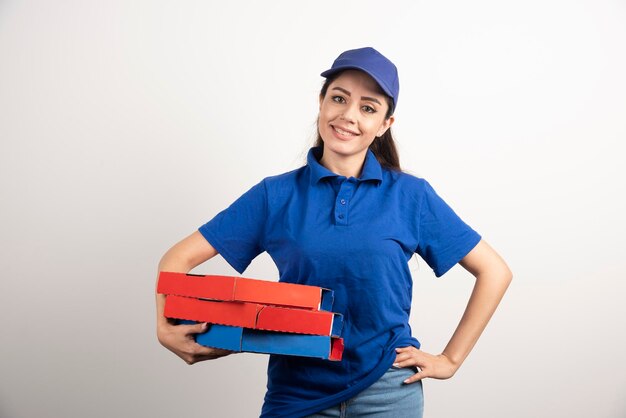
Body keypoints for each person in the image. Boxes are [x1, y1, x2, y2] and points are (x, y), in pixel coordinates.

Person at [155, 47, 513, 418]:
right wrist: (165, 326)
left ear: (385, 124)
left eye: (368, 107)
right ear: (321, 103)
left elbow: (495, 271)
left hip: (388, 392)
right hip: (296, 394)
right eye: (339, 98)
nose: (348, 116)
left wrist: (450, 360)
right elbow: (177, 259)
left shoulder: (411, 196)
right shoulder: (274, 195)